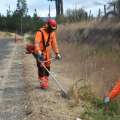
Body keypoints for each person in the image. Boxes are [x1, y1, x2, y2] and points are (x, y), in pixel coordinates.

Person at [34, 18, 61, 89]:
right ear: (48, 26)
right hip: (40, 53)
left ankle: (46, 80)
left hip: (48, 53)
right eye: (51, 29)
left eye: (53, 29)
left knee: (48, 68)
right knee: (41, 67)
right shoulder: (40, 32)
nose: (52, 30)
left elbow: (54, 44)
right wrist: (39, 52)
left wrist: (57, 53)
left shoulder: (52, 33)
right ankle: (42, 82)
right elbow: (36, 43)